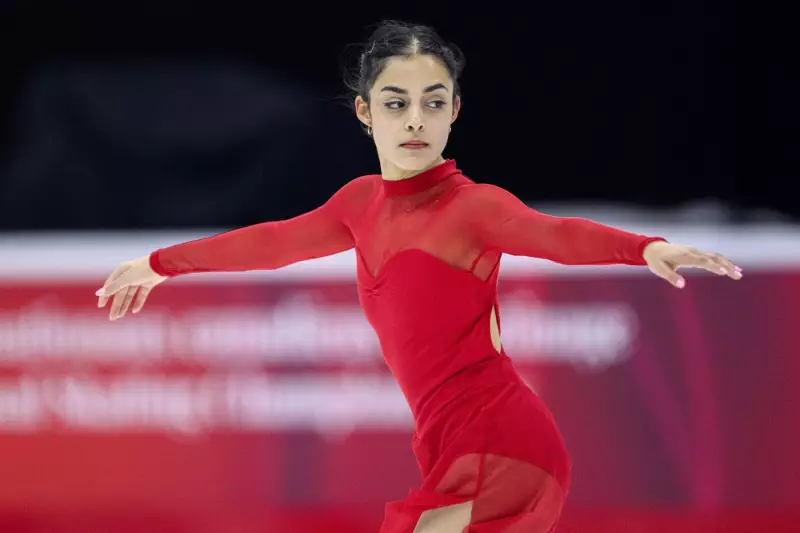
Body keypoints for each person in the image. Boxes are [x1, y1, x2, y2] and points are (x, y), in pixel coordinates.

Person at [95, 20, 742, 533]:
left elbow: (556, 235)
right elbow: (272, 244)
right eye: (396, 102)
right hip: (448, 447)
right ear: (363, 112)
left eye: (433, 103)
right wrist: (159, 263)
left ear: (454, 110)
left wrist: (645, 248)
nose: (414, 120)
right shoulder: (358, 206)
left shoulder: (473, 207)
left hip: (503, 443)